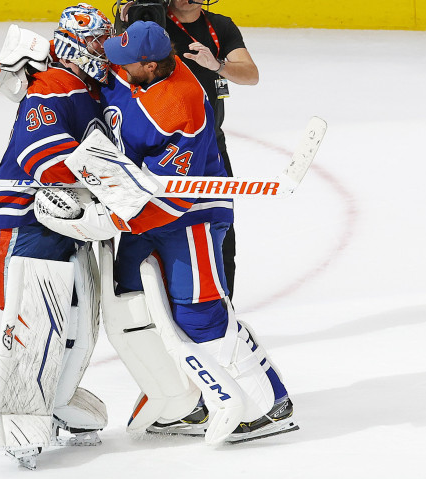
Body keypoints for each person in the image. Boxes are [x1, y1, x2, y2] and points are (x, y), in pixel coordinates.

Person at [95, 20, 296, 444]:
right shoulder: (131, 71)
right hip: (138, 213)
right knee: (137, 310)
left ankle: (268, 406)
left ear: (149, 66)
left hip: (189, 219)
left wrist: (110, 219)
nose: (115, 66)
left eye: (125, 62)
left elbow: (171, 195)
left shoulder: (182, 106)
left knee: (199, 313)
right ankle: (186, 403)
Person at [0, 4, 114, 469]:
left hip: (64, 219)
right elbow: (46, 162)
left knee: (75, 320)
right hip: (23, 219)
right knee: (31, 317)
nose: (105, 49)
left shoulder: (87, 87)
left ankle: (52, 399)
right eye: (98, 41)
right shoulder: (51, 89)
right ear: (78, 44)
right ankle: (16, 417)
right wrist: (114, 180)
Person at [119, 0, 259, 300]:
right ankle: (148, 308)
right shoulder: (151, 24)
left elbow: (251, 74)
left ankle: (221, 304)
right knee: (145, 225)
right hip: (154, 144)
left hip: (209, 147)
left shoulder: (220, 27)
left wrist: (218, 65)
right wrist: (125, 22)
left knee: (219, 228)